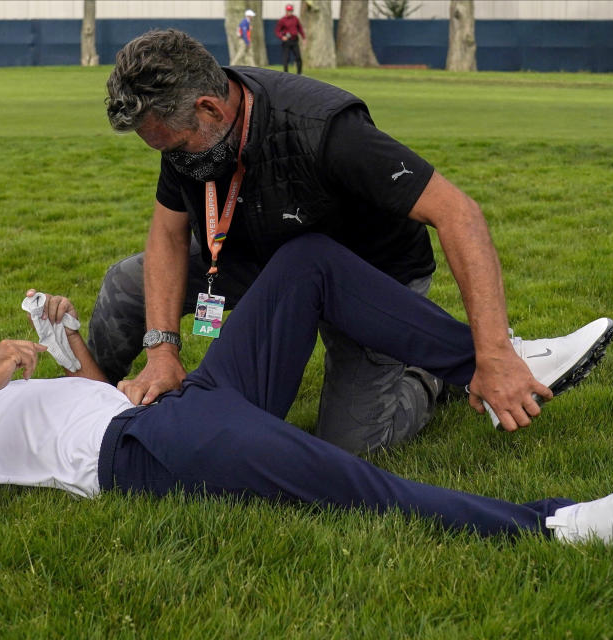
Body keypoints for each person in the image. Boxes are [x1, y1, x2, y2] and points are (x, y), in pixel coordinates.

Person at [0, 234, 613, 551]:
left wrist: (69, 346)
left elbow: (88, 397)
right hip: (142, 452)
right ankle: (560, 525)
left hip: (163, 403)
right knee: (340, 480)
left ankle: (493, 364)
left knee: (310, 263)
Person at [94, 29, 579, 455]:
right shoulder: (185, 130)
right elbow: (168, 235)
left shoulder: (324, 128)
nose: (173, 160)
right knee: (127, 282)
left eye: (175, 148)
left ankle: (427, 375)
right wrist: (162, 350)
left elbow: (460, 213)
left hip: (366, 279)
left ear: (210, 108)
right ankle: (88, 400)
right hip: (256, 258)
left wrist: (491, 353)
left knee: (351, 442)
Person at [275, 3, 306, 74]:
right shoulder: (282, 20)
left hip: (294, 40)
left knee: (298, 57)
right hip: (287, 41)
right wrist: (282, 37)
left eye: (291, 11)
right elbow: (277, 31)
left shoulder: (295, 19)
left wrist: (303, 37)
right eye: (288, 11)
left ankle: (299, 73)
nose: (290, 12)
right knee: (286, 58)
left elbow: (300, 28)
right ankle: (286, 73)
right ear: (286, 11)